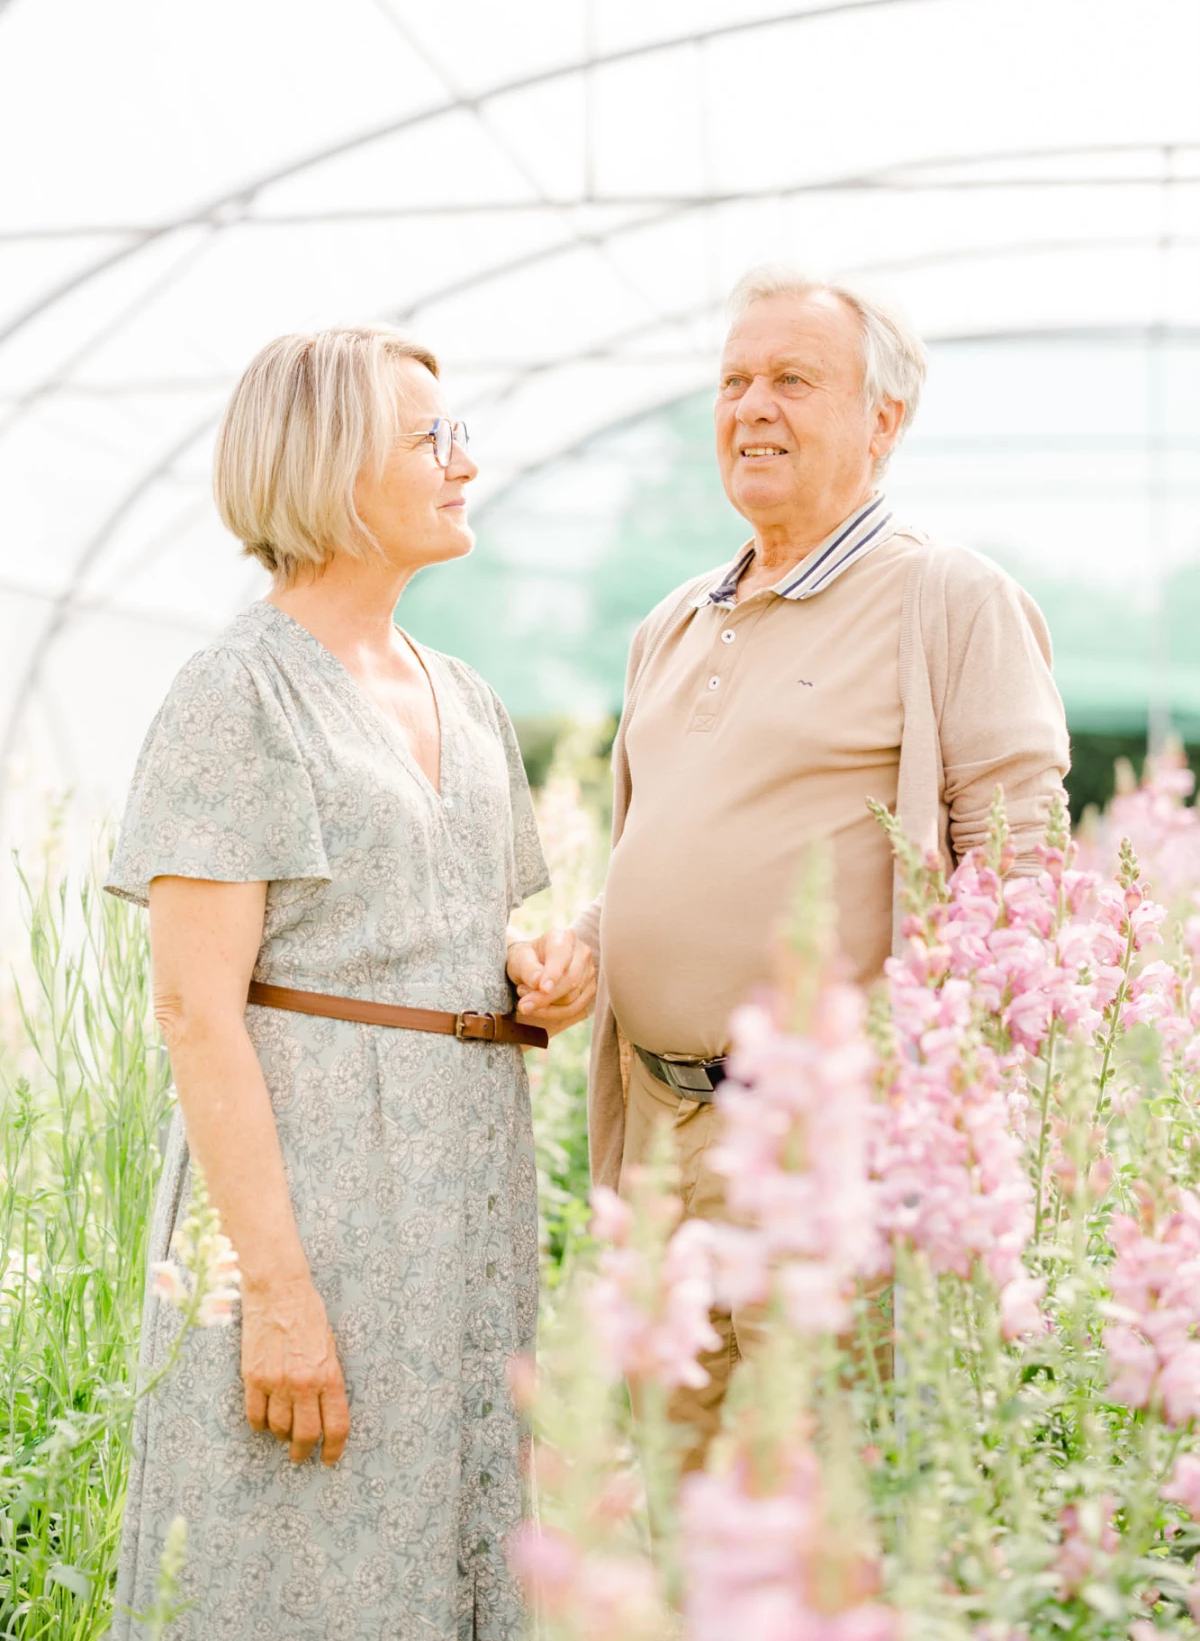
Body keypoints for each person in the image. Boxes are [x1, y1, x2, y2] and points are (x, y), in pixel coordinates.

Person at [104, 326, 593, 1641]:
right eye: (428, 439)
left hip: (463, 1216)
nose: (466, 464)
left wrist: (529, 970)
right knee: (289, 1564)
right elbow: (196, 1009)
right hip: (313, 1211)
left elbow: (442, 917)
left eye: (460, 433)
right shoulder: (235, 692)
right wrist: (275, 1291)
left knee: (455, 1552)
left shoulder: (467, 696)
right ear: (324, 465)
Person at [572, 267, 1070, 1466]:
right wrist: (587, 947)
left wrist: (936, 1112)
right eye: (734, 381)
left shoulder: (944, 597)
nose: (752, 407)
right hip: (660, 1135)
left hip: (822, 1150)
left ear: (882, 422)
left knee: (827, 1498)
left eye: (793, 379)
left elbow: (1022, 870)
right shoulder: (676, 618)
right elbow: (662, 851)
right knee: (680, 1496)